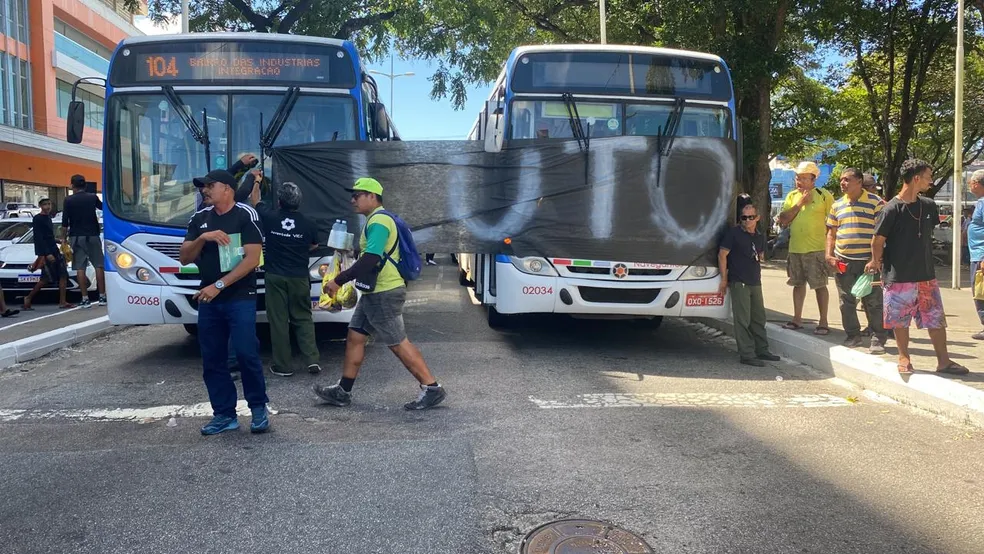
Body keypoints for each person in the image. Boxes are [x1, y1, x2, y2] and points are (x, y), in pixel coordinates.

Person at [313, 177, 446, 411]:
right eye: (352, 195)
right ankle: (343, 391)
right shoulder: (375, 220)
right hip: (375, 292)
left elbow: (372, 258)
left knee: (397, 342)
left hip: (384, 292)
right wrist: (352, 251)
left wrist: (338, 280)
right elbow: (372, 253)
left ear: (372, 197)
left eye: (358, 195)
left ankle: (431, 387)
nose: (352, 199)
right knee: (355, 335)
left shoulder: (379, 221)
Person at [179, 169, 270, 435]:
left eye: (210, 186)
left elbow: (252, 259)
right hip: (209, 298)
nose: (204, 190)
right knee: (212, 358)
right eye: (202, 187)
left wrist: (219, 285)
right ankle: (224, 414)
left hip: (239, 296)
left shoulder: (246, 215)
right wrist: (202, 238)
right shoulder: (199, 219)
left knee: (245, 353)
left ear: (227, 189)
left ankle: (258, 408)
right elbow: (184, 257)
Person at [871, 159, 968, 375]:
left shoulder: (929, 205)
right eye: (928, 177)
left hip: (926, 274)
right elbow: (877, 241)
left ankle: (944, 361)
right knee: (900, 320)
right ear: (916, 178)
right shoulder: (891, 209)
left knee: (935, 319)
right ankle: (904, 357)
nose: (931, 181)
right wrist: (877, 264)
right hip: (898, 275)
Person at [247, 177, 321, 376]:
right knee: (303, 317)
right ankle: (312, 360)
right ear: (299, 202)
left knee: (279, 321)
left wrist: (256, 181)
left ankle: (283, 366)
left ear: (279, 201)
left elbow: (255, 200)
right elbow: (313, 245)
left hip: (275, 276)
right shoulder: (308, 224)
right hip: (299, 277)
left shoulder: (269, 217)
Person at [825, 167, 888, 353]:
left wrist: (875, 259)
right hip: (843, 260)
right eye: (841, 180)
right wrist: (829, 255)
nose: (843, 183)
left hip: (869, 262)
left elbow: (882, 234)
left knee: (874, 301)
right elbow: (831, 233)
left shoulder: (876, 203)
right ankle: (853, 335)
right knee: (846, 300)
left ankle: (878, 338)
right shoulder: (837, 205)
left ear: (859, 182)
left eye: (847, 180)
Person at [717, 204, 781, 367]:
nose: (747, 220)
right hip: (740, 281)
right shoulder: (734, 234)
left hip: (755, 280)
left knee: (758, 317)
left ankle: (762, 350)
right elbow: (722, 255)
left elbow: (760, 256)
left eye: (750, 217)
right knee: (742, 319)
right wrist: (724, 279)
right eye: (744, 217)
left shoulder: (759, 236)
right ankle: (746, 353)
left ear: (757, 218)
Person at [777, 161, 834, 334]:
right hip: (795, 248)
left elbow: (833, 222)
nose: (799, 181)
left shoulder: (824, 195)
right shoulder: (792, 196)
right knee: (797, 284)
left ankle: (823, 321)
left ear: (813, 179)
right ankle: (796, 319)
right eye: (797, 177)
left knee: (820, 285)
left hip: (816, 248)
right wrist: (800, 203)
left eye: (803, 178)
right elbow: (783, 219)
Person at [62, 175, 106, 307]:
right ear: (85, 185)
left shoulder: (68, 200)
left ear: (72, 186)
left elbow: (65, 222)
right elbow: (104, 208)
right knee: (99, 265)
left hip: (76, 236)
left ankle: (85, 298)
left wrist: (63, 239)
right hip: (93, 235)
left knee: (80, 267)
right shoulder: (92, 197)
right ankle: (102, 296)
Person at [23, 199, 74, 310]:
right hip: (47, 252)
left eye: (49, 204)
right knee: (45, 279)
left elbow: (49, 236)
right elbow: (39, 238)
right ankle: (28, 297)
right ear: (40, 206)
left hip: (54, 250)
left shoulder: (48, 218)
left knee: (63, 275)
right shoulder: (38, 219)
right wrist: (46, 253)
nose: (47, 206)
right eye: (45, 204)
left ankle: (62, 301)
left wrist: (59, 241)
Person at [966, 169, 984, 341]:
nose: (969, 185)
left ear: (977, 184)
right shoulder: (980, 203)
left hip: (981, 256)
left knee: (980, 292)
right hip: (977, 255)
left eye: (970, 182)